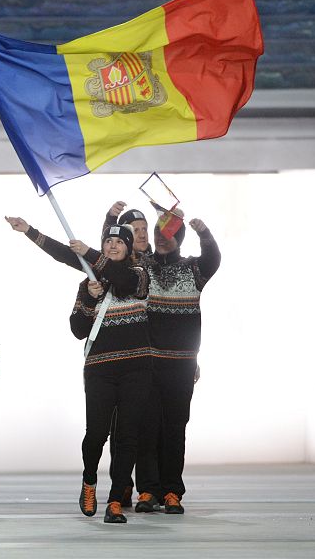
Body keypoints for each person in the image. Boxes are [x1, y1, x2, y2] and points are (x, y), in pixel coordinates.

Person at [136, 214, 220, 515]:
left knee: (174, 427)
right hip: (148, 362)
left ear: (179, 237)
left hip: (182, 365)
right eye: (157, 233)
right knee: (147, 427)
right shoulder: (143, 267)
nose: (161, 238)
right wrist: (111, 219)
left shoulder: (193, 269)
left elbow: (213, 258)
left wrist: (204, 232)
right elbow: (110, 255)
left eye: (168, 233)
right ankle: (148, 490)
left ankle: (172, 491)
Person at [69, 224, 152, 524]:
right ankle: (89, 480)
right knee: (96, 434)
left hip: (136, 368)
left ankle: (115, 500)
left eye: (119, 241)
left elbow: (124, 281)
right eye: (108, 241)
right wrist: (91, 298)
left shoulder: (140, 274)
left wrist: (89, 253)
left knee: (128, 436)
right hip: (100, 369)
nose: (113, 246)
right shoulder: (88, 283)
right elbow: (78, 330)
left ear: (129, 248)